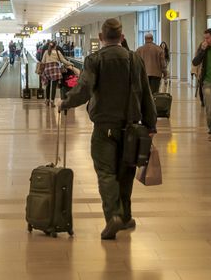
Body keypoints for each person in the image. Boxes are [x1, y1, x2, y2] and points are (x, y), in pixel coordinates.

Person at [60, 18, 156, 240]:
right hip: (131, 128)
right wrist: (150, 124)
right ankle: (126, 217)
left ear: (101, 38)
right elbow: (146, 94)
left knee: (106, 173)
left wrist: (66, 102)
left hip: (104, 127)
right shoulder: (134, 59)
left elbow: (84, 89)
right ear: (122, 37)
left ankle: (113, 216)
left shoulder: (95, 60)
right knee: (126, 173)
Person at [41, 41, 77, 107]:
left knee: (48, 85)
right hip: (55, 70)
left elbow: (43, 61)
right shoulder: (57, 52)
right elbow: (63, 60)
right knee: (54, 86)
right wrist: (70, 63)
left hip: (47, 70)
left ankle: (47, 100)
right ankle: (52, 101)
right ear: (55, 46)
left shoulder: (46, 52)